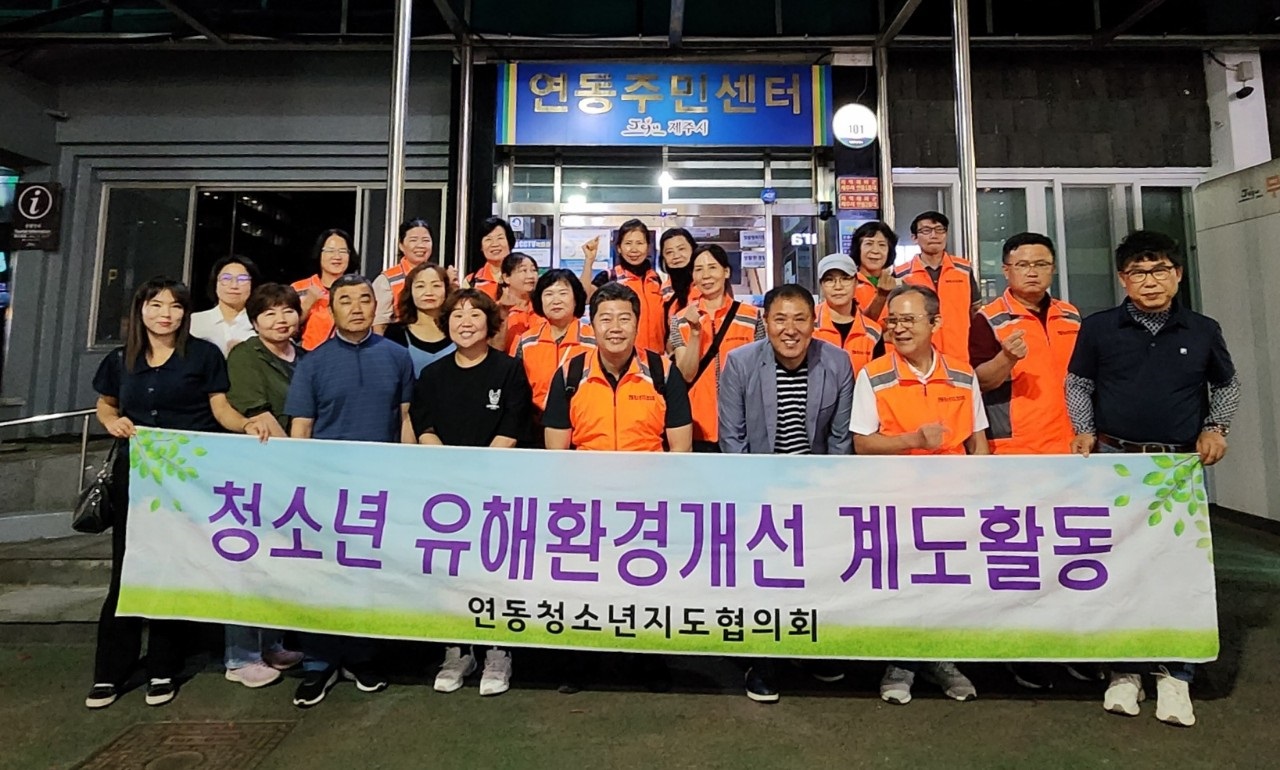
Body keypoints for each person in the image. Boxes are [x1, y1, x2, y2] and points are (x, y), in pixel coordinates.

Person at [1066, 230, 1239, 728]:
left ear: (1178, 274)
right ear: (1124, 279)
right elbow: (1079, 381)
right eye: (1139, 272)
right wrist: (1083, 429)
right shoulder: (1100, 328)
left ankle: (1176, 673)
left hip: (1179, 468)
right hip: (1116, 461)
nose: (1151, 280)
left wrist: (1215, 427)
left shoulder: (1202, 329)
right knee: (1118, 566)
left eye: (1161, 269)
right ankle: (1124, 670)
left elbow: (1226, 384)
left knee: (1178, 570)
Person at [86, 278, 276, 711]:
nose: (165, 314)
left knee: (176, 568)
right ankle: (110, 672)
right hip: (137, 476)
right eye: (156, 305)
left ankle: (163, 668)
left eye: (174, 306)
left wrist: (246, 425)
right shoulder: (121, 359)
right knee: (127, 570)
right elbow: (106, 403)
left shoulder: (203, 355)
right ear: (141, 310)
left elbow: (220, 408)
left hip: (190, 479)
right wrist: (110, 421)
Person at [717, 282, 854, 702]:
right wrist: (755, 497)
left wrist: (826, 496)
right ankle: (764, 662)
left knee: (813, 573)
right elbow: (732, 439)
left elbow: (839, 440)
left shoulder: (838, 363)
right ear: (765, 322)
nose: (790, 329)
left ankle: (809, 651)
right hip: (759, 485)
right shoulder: (739, 364)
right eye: (780, 319)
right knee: (767, 578)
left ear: (815, 322)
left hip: (815, 486)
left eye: (800, 319)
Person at [851, 284, 988, 706]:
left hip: (954, 501)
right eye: (893, 320)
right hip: (897, 502)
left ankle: (942, 660)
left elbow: (978, 441)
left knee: (946, 586)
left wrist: (982, 490)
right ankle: (901, 663)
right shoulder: (873, 375)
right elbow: (863, 443)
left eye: (908, 319)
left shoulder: (964, 375)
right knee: (902, 585)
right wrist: (914, 439)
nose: (898, 328)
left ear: (935, 323)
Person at [283, 274, 416, 708]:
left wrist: (409, 473)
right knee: (319, 574)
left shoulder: (398, 356)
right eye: (346, 301)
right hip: (324, 487)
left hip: (379, 486)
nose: (357, 308)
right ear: (332, 309)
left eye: (365, 300)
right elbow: (300, 428)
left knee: (368, 574)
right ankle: (318, 662)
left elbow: (405, 419)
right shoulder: (313, 363)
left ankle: (362, 656)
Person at [411, 288, 532, 698]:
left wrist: (477, 472)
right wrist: (452, 473)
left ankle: (499, 652)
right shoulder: (431, 375)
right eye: (457, 315)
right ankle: (457, 650)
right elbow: (424, 428)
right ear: (446, 324)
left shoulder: (510, 370)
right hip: (447, 492)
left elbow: (512, 427)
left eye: (474, 315)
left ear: (489, 323)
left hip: (497, 487)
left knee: (495, 569)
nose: (465, 322)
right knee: (451, 572)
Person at [223, 283, 308, 688]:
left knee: (278, 561)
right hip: (260, 471)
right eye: (270, 313)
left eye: (288, 311)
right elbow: (257, 413)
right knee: (249, 560)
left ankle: (271, 642)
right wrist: (295, 458)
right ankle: (241, 656)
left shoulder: (304, 357)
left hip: (292, 474)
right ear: (255, 321)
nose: (281, 320)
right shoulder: (246, 355)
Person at [544, 281, 693, 453]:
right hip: (587, 476)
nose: (615, 328)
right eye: (606, 319)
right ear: (592, 326)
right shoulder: (569, 375)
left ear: (637, 325)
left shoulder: (663, 372)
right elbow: (556, 452)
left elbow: (681, 450)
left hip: (649, 476)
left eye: (624, 319)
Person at [669, 244, 765, 452]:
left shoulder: (752, 316)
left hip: (742, 425)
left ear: (726, 271)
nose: (706, 276)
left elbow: (760, 373)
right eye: (698, 269)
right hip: (697, 425)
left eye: (712, 267)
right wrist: (695, 333)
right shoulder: (680, 320)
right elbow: (686, 374)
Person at [891, 211, 981, 361]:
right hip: (918, 358)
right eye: (926, 231)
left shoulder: (963, 269)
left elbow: (975, 312)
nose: (934, 235)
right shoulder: (902, 275)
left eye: (940, 230)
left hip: (961, 356)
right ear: (914, 238)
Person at [514, 269, 595, 420]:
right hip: (536, 422)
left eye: (563, 293)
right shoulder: (527, 341)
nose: (555, 300)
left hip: (582, 422)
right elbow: (516, 388)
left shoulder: (593, 340)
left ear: (576, 298)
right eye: (548, 294)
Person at [582, 219, 666, 355]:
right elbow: (584, 297)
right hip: (623, 358)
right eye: (628, 243)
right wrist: (589, 261)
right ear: (619, 248)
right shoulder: (610, 277)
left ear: (648, 247)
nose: (634, 249)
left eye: (640, 243)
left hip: (656, 358)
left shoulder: (656, 279)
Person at [812, 253, 883, 377]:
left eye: (845, 278)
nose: (838, 286)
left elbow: (877, 380)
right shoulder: (808, 325)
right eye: (829, 280)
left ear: (856, 282)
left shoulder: (873, 333)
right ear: (821, 285)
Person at [383, 263, 456, 376]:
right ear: (410, 292)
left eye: (436, 285)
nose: (429, 292)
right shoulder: (396, 333)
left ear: (446, 290)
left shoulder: (458, 329)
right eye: (420, 286)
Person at [292, 228, 357, 351]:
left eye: (343, 251)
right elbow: (287, 328)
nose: (337, 256)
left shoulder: (357, 289)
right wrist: (307, 304)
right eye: (330, 251)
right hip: (307, 357)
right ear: (319, 254)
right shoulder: (299, 288)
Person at [374, 218, 438, 333]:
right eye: (413, 240)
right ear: (401, 245)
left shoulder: (440, 275)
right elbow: (379, 326)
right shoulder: (387, 279)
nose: (420, 245)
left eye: (426, 240)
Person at [189, 255, 261, 356]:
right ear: (215, 283)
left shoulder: (261, 324)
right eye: (226, 278)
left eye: (242, 279)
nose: (234, 285)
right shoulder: (195, 321)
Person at [850, 221, 898, 323]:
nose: (875, 250)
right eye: (869, 244)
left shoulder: (900, 285)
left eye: (882, 245)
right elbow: (857, 325)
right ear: (858, 249)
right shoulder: (848, 285)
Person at [494, 252, 540, 354]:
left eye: (534, 270)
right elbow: (495, 348)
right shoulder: (495, 310)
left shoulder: (542, 308)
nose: (531, 276)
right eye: (523, 270)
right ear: (506, 278)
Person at [658, 227, 699, 337]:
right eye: (669, 252)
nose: (676, 256)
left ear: (693, 250)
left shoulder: (704, 283)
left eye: (681, 249)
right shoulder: (663, 290)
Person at [467, 216, 514, 299]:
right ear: (481, 246)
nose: (495, 244)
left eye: (500, 238)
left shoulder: (523, 277)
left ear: (509, 243)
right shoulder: (470, 281)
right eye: (488, 239)